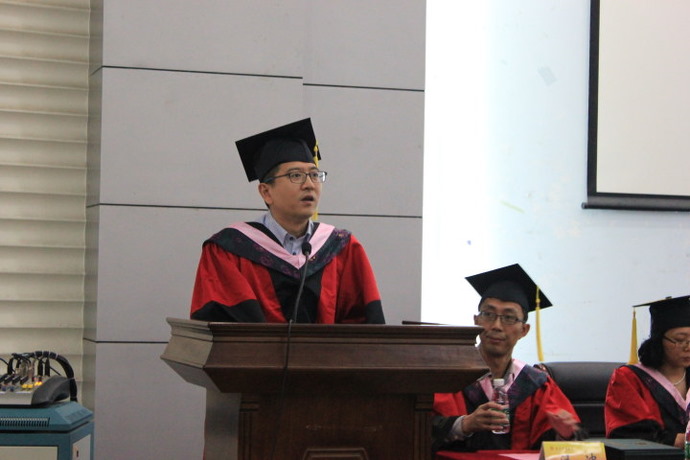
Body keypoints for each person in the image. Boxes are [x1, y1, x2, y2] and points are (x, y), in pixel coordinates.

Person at [189, 118, 385, 324]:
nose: (309, 185)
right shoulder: (229, 249)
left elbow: (366, 326)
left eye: (314, 175)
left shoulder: (342, 247)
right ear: (266, 192)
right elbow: (219, 327)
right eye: (296, 175)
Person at [432, 264, 583, 452]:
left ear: (524, 330)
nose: (496, 325)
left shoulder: (535, 384)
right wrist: (464, 424)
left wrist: (565, 434)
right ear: (476, 321)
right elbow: (416, 428)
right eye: (488, 314)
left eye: (509, 318)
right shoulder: (447, 377)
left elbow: (568, 445)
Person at [605, 295, 690, 447]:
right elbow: (630, 435)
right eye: (679, 340)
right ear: (658, 341)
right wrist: (681, 441)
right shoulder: (630, 378)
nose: (688, 347)